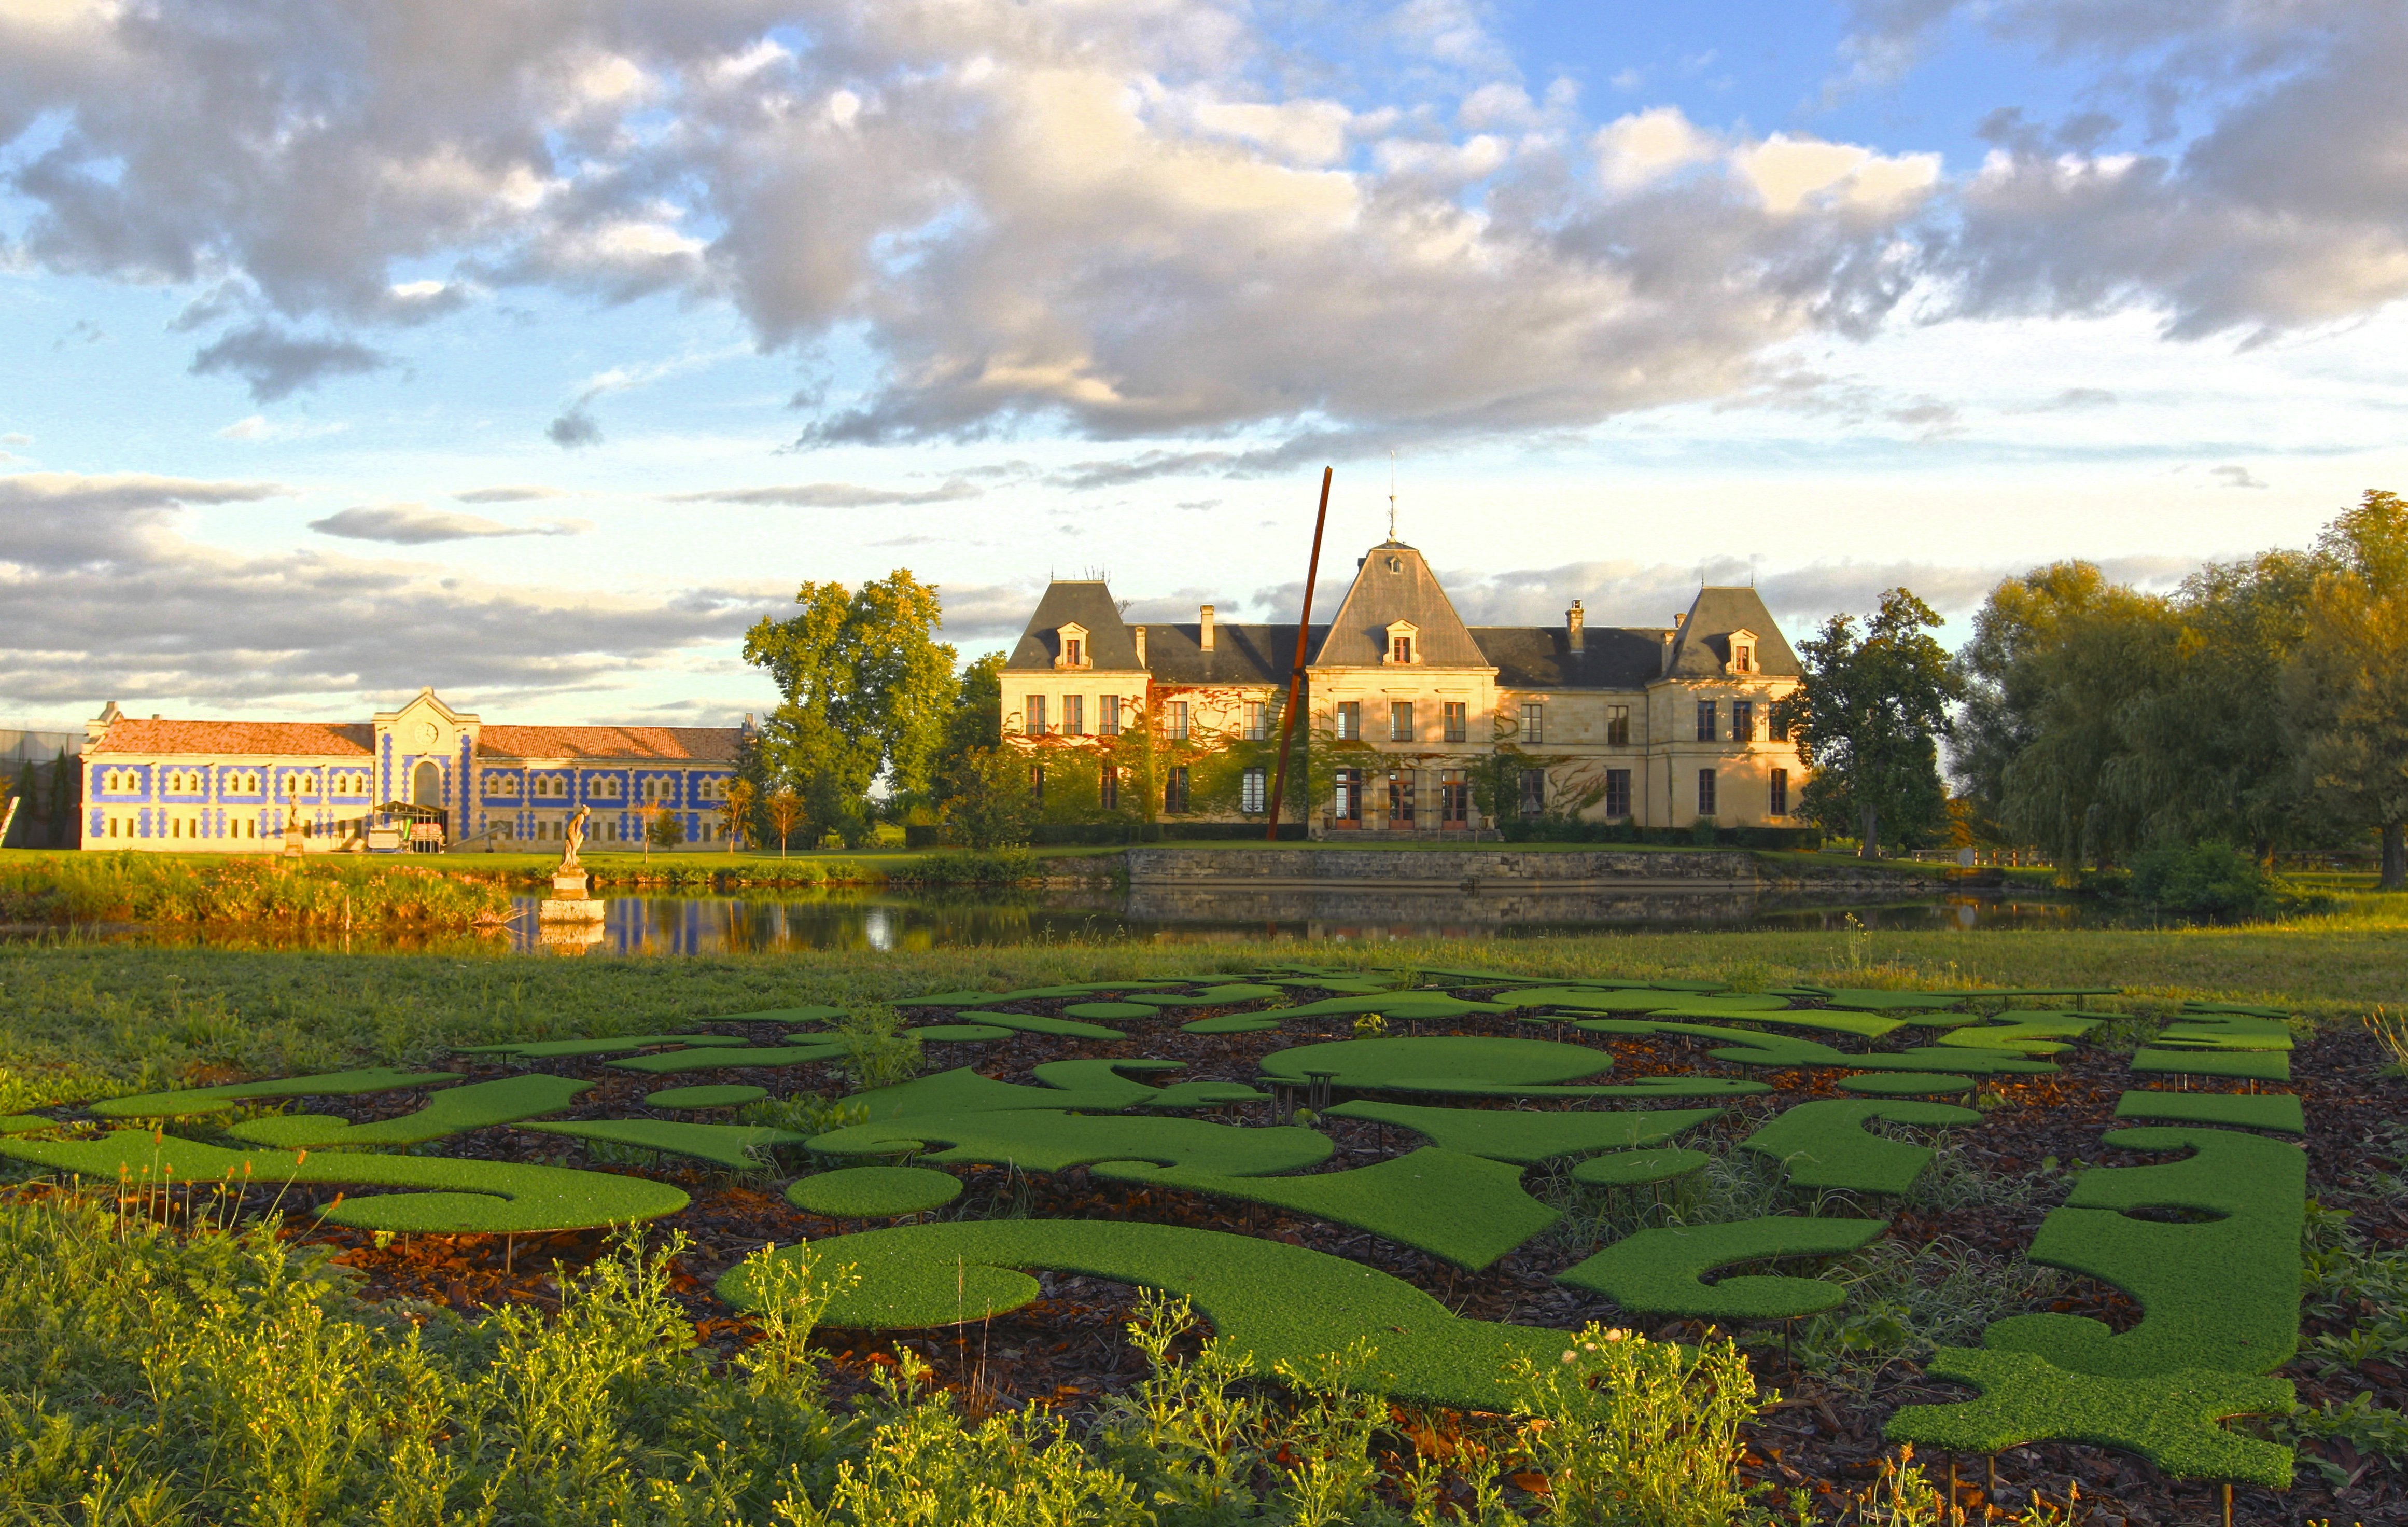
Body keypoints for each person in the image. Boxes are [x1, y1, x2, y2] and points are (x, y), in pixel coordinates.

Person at [561, 803, 589, 869]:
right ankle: (574, 863)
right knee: (575, 847)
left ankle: (572, 861)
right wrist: (576, 835)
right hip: (571, 831)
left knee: (574, 847)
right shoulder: (581, 817)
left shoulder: (580, 815)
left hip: (571, 831)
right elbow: (578, 827)